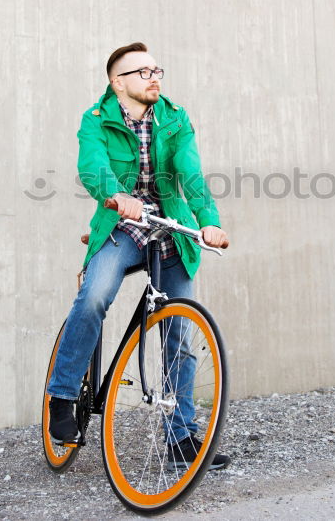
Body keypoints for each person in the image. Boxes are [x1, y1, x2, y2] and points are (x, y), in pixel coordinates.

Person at [46, 42, 231, 470]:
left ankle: (180, 436)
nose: (154, 77)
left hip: (168, 226)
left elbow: (190, 172)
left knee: (181, 335)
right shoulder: (95, 120)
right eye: (143, 72)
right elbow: (93, 166)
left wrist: (210, 220)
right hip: (123, 223)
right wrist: (114, 194)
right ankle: (63, 396)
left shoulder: (174, 116)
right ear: (119, 82)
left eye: (156, 69)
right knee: (93, 296)